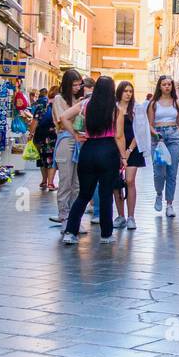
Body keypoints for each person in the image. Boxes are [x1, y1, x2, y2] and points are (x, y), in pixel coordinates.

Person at [61, 76, 126, 245]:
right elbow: (119, 136)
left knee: (84, 194)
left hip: (88, 150)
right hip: (108, 150)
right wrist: (124, 157)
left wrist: (75, 135)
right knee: (105, 194)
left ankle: (70, 231)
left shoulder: (85, 104)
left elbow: (64, 117)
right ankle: (106, 234)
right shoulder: (116, 109)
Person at [50, 69, 84, 228]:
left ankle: (74, 217)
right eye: (75, 85)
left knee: (77, 182)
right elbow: (62, 120)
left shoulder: (79, 99)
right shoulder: (58, 99)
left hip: (80, 141)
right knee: (65, 180)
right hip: (66, 140)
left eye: (79, 84)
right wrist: (78, 107)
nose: (77, 87)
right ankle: (64, 215)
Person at [148, 75, 179, 217]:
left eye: (169, 84)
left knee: (172, 172)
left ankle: (169, 204)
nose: (167, 86)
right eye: (164, 84)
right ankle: (158, 193)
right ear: (159, 86)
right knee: (159, 172)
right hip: (158, 137)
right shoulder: (154, 103)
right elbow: (150, 124)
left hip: (174, 136)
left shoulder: (177, 103)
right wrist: (155, 134)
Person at [112, 80, 144, 229]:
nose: (128, 94)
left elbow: (140, 131)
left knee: (130, 181)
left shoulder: (137, 109)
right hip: (116, 148)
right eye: (125, 91)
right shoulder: (114, 109)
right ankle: (120, 216)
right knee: (117, 183)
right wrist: (121, 151)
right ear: (119, 92)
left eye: (130, 91)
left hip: (133, 148)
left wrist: (129, 150)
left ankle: (131, 216)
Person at [32, 86, 59, 193]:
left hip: (40, 136)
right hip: (53, 136)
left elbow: (34, 122)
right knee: (51, 159)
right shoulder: (58, 106)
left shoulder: (41, 106)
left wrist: (31, 133)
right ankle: (51, 182)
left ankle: (44, 180)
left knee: (42, 159)